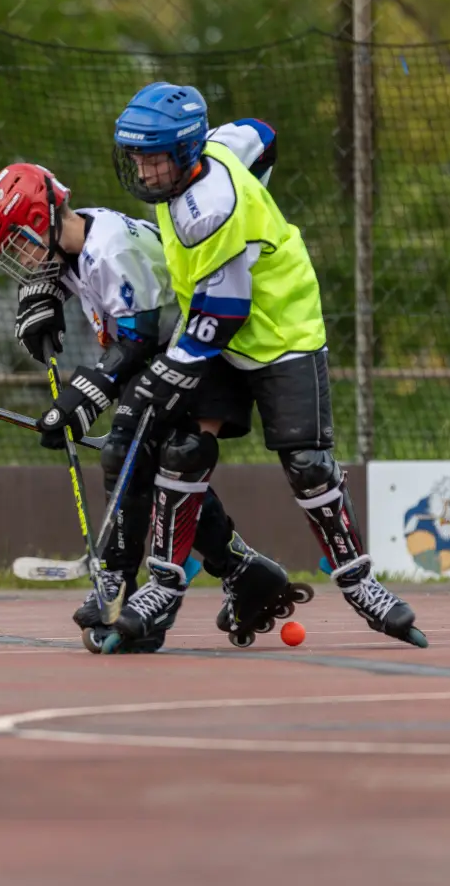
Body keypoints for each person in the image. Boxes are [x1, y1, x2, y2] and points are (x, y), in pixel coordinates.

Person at [111, 82, 425, 647]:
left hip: (281, 331)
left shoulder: (210, 210)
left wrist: (163, 375)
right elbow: (262, 133)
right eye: (136, 157)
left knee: (308, 464)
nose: (144, 171)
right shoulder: (219, 145)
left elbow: (222, 313)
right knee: (185, 450)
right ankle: (162, 586)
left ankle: (358, 582)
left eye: (154, 159)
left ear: (185, 155)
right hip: (218, 333)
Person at [0, 152, 309, 653]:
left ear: (42, 222)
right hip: (165, 352)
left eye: (20, 246)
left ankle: (122, 586)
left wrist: (77, 400)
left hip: (194, 349)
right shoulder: (72, 241)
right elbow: (65, 274)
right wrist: (42, 295)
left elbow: (137, 339)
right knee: (160, 469)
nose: (20, 260)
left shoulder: (109, 251)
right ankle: (244, 570)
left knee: (129, 454)